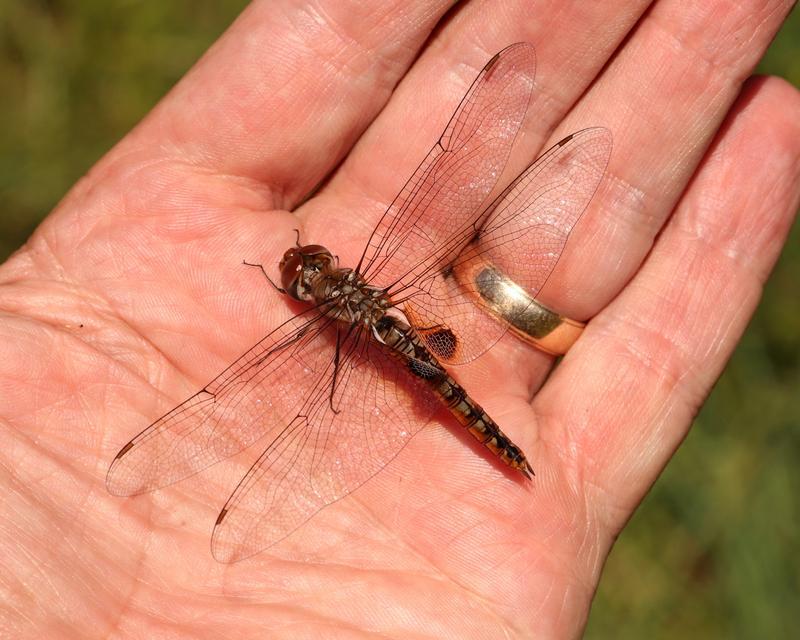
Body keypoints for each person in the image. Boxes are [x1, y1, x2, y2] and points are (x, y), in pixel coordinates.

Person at [1, 1, 798, 637]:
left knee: (436, 384)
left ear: (319, 289)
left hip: (407, 346)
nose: (309, 275)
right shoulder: (360, 294)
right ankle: (495, 438)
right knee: (445, 382)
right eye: (308, 275)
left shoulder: (322, 324)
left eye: (309, 273)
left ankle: (492, 436)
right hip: (411, 334)